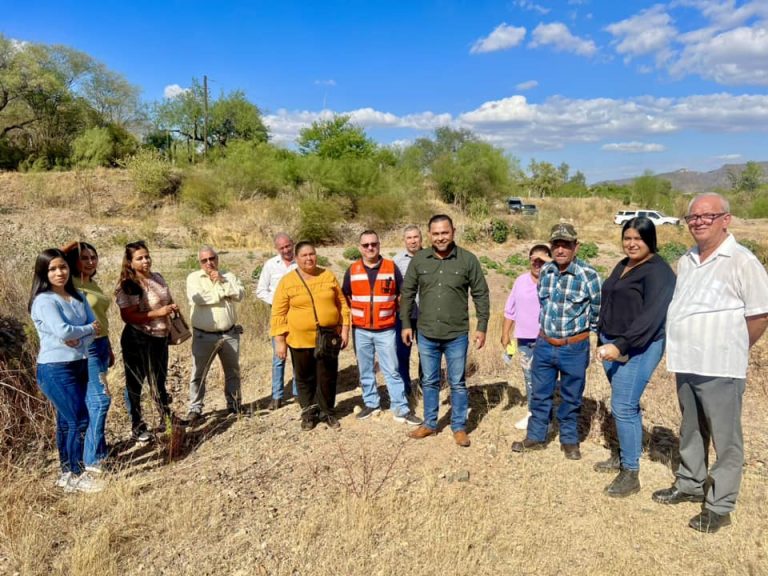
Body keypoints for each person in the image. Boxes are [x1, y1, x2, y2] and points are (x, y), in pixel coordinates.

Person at [653, 193, 768, 533]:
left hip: (721, 366)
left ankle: (720, 504)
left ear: (725, 220)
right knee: (691, 427)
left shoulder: (742, 260)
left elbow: (760, 315)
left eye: (708, 216)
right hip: (687, 361)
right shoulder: (688, 258)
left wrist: (731, 345)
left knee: (725, 437)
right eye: (693, 218)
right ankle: (690, 483)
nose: (699, 222)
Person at [593, 218, 676, 497]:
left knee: (623, 405)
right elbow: (611, 300)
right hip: (612, 344)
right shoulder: (624, 264)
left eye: (638, 239)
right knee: (623, 405)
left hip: (638, 347)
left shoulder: (659, 272)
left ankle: (630, 472)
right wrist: (601, 335)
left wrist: (622, 345)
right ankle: (622, 453)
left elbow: (652, 317)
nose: (631, 243)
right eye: (627, 237)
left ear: (650, 240)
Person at [511, 223, 601, 460]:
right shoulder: (547, 272)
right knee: (540, 394)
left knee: (571, 397)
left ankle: (569, 440)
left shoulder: (589, 276)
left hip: (574, 347)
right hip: (544, 344)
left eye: (566, 245)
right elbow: (544, 305)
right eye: (556, 245)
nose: (560, 250)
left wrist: (582, 337)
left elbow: (597, 312)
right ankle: (536, 436)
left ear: (576, 247)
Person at [402, 214, 490, 447]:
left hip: (456, 335)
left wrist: (482, 326)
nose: (441, 238)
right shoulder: (419, 260)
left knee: (457, 382)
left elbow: (480, 294)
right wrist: (405, 325)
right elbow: (407, 294)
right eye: (436, 233)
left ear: (453, 232)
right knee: (429, 380)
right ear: (429, 234)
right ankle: (430, 423)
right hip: (427, 334)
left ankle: (459, 427)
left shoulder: (468, 260)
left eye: (445, 232)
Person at [29, 248, 103, 493]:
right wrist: (82, 330)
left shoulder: (78, 296)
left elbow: (96, 327)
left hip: (79, 362)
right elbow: (64, 331)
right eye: (52, 269)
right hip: (55, 368)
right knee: (79, 419)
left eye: (62, 267)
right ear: (43, 272)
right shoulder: (44, 301)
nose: (59, 272)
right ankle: (77, 473)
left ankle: (67, 474)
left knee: (65, 421)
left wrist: (79, 333)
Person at [342, 230, 422, 425]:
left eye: (374, 244)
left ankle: (401, 409)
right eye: (366, 245)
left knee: (392, 370)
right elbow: (345, 296)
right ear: (360, 247)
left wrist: (402, 322)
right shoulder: (352, 270)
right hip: (361, 330)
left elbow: (403, 297)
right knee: (366, 369)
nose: (370, 248)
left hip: (386, 329)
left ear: (379, 245)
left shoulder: (390, 267)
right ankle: (371, 403)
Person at [270, 241, 350, 431]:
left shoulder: (327, 275)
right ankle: (308, 413)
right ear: (296, 259)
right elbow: (278, 313)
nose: (309, 258)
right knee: (304, 377)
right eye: (304, 255)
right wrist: (280, 341)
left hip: (328, 337)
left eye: (311, 254)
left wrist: (345, 329)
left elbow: (342, 304)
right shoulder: (287, 281)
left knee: (327, 375)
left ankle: (327, 412)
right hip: (299, 339)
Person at [115, 241, 182, 443]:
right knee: (136, 382)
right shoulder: (128, 285)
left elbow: (165, 299)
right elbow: (128, 316)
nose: (145, 261)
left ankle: (165, 417)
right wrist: (157, 313)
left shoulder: (157, 278)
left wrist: (171, 307)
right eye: (140, 258)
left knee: (159, 380)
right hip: (138, 338)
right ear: (130, 262)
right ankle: (137, 424)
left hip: (160, 337)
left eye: (147, 256)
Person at [62, 241, 113, 475]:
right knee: (100, 400)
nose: (91, 261)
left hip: (101, 344)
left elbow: (100, 316)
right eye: (84, 257)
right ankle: (92, 462)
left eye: (94, 257)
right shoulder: (69, 284)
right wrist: (75, 243)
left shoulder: (91, 283)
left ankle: (98, 451)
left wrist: (109, 346)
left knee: (93, 400)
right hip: (87, 347)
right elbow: (49, 262)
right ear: (74, 261)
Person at [186, 246, 245, 421]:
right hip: (204, 335)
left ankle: (234, 405)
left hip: (229, 334)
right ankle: (195, 408)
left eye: (212, 258)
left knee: (232, 371)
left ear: (217, 259)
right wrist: (223, 293)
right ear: (199, 262)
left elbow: (240, 294)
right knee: (198, 373)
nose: (209, 263)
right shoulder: (193, 278)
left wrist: (223, 282)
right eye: (204, 260)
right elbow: (198, 299)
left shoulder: (228, 276)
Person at [501, 244, 552, 430]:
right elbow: (510, 309)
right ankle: (533, 415)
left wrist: (548, 263)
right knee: (529, 378)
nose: (537, 263)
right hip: (524, 340)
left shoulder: (554, 281)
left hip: (547, 339)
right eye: (534, 259)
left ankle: (547, 417)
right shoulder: (520, 281)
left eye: (542, 259)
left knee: (546, 379)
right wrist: (505, 333)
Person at [256, 232, 297, 410]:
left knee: (299, 355)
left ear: (293, 244)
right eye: (282, 248)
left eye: (288, 246)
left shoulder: (301, 262)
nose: (286, 250)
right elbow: (261, 290)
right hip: (278, 316)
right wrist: (278, 301)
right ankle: (277, 396)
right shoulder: (271, 265)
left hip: (298, 315)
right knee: (278, 357)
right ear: (277, 249)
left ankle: (298, 393)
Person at [393, 224, 423, 396]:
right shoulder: (396, 261)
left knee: (426, 352)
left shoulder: (430, 257)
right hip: (405, 314)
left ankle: (424, 384)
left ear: (421, 238)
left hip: (427, 314)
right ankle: (405, 386)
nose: (413, 241)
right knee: (403, 351)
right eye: (409, 238)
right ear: (404, 240)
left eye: (415, 237)